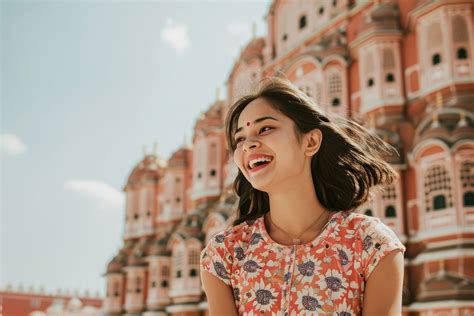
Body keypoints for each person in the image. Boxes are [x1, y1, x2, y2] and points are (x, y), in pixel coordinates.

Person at [200, 77, 406, 315]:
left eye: (265, 128)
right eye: (240, 138)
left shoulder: (371, 246)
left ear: (311, 141)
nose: (248, 145)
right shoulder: (226, 254)